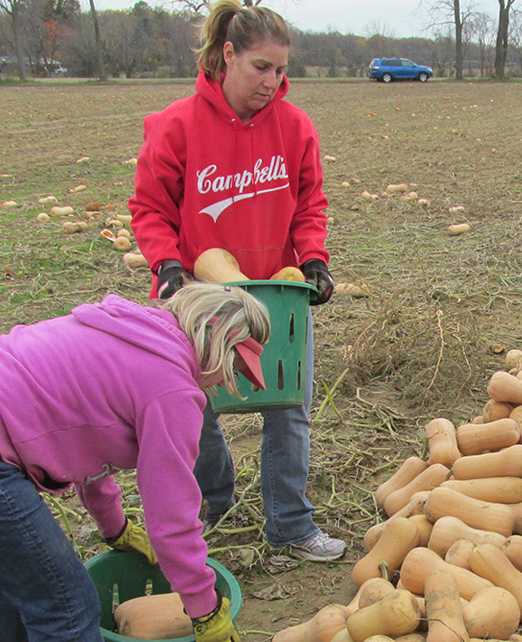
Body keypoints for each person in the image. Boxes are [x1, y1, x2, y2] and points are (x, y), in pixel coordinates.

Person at [129, 0, 345, 562]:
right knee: (192, 410)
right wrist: (168, 265)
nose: (273, 82)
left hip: (274, 293)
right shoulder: (177, 125)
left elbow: (309, 204)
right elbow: (150, 209)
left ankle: (291, 525)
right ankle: (213, 501)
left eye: (280, 69)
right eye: (260, 67)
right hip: (195, 299)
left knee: (287, 405)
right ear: (227, 55)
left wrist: (314, 259)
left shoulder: (295, 127)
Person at [0, 281, 268, 642]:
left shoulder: (130, 331)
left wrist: (115, 527)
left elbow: (85, 440)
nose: (225, 381)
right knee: (66, 610)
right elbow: (172, 515)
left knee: (17, 598)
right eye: (234, 369)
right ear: (220, 346)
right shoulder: (171, 388)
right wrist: (204, 610)